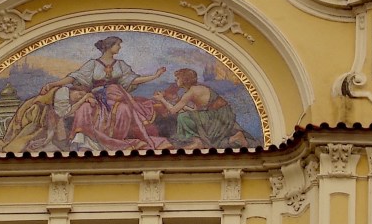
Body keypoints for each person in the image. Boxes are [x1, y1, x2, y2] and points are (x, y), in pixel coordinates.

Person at [40, 36, 170, 151]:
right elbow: (74, 77)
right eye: (118, 44)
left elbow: (133, 79)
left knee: (124, 109)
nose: (119, 47)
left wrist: (154, 76)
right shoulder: (93, 64)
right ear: (109, 46)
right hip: (98, 96)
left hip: (117, 95)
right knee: (85, 108)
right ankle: (83, 143)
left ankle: (117, 144)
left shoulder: (120, 64)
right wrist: (53, 84)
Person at [153, 69, 254, 149]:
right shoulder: (197, 89)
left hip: (217, 116)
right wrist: (183, 107)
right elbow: (197, 112)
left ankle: (194, 140)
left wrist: (162, 99)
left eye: (178, 78)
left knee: (183, 118)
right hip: (219, 113)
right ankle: (234, 138)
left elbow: (172, 111)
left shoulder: (190, 93)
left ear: (185, 80)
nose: (176, 80)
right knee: (184, 115)